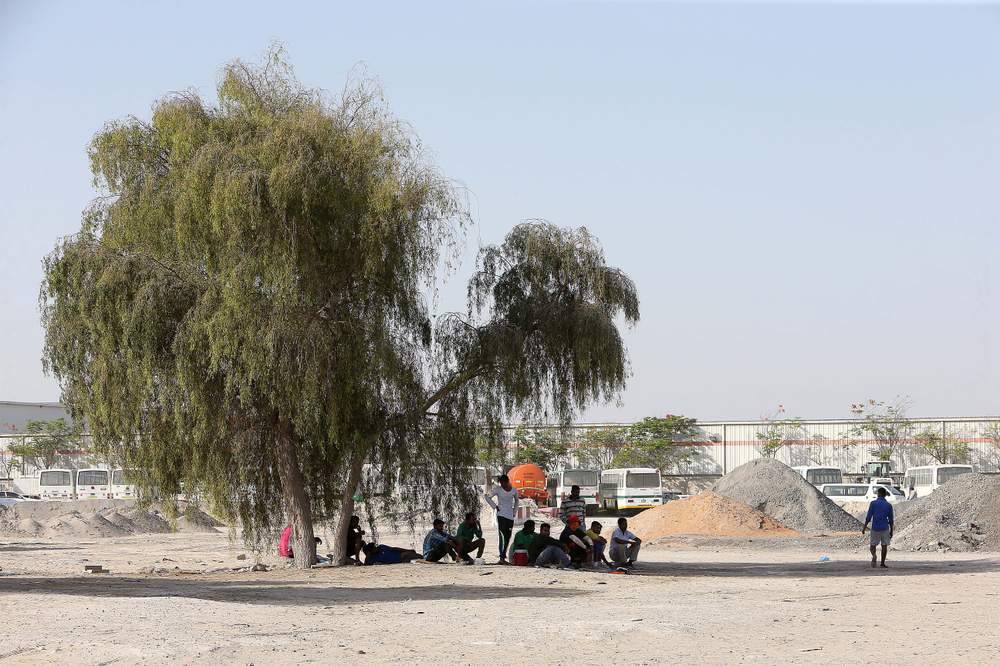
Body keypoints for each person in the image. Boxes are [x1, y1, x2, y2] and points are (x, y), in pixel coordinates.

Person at [485, 474, 519, 563]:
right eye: (500, 483)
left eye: (503, 483)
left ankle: (503, 555)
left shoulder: (514, 491)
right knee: (502, 536)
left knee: (508, 536)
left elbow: (517, 501)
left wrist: (514, 511)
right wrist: (495, 506)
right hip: (501, 515)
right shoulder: (498, 490)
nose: (502, 485)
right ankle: (501, 557)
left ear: (507, 481)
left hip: (510, 516)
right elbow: (487, 497)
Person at [863, 486, 895, 568]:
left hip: (875, 528)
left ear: (878, 494)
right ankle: (882, 563)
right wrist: (891, 531)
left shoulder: (873, 503)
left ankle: (874, 555)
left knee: (872, 545)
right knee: (884, 546)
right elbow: (891, 520)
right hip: (885, 528)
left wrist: (864, 527)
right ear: (885, 495)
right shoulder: (888, 505)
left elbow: (869, 517)